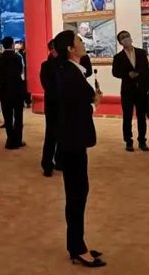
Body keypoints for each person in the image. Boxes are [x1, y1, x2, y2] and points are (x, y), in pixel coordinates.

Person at [53, 30, 106, 268]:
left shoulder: (73, 70)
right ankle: (77, 248)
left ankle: (77, 243)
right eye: (79, 41)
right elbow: (73, 108)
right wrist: (94, 104)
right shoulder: (69, 74)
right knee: (77, 194)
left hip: (73, 140)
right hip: (72, 141)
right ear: (70, 49)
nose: (83, 44)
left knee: (78, 192)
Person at [112, 30, 149, 152]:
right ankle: (128, 141)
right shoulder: (118, 57)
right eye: (123, 38)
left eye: (127, 36)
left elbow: (147, 71)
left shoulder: (141, 53)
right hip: (127, 91)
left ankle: (142, 141)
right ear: (120, 42)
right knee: (127, 117)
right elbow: (115, 72)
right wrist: (127, 74)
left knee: (142, 117)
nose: (126, 39)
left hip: (142, 89)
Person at [0, 36, 26, 149]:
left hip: (4, 90)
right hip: (17, 90)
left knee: (7, 117)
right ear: (12, 44)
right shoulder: (17, 57)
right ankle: (18, 140)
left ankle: (10, 140)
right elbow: (20, 72)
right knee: (18, 116)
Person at [40, 40, 62, 177]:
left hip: (64, 105)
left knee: (62, 135)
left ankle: (60, 161)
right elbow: (47, 86)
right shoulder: (46, 65)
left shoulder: (65, 64)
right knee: (51, 135)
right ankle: (47, 164)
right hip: (53, 105)